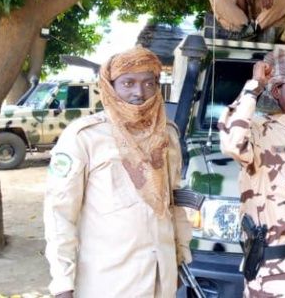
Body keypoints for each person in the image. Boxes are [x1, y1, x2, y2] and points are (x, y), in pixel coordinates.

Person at [43, 47, 191, 298]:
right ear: (110, 86)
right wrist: (62, 284)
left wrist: (178, 260)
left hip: (160, 278)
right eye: (128, 83)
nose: (139, 92)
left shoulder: (168, 134)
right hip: (108, 281)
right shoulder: (85, 136)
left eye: (148, 83)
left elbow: (174, 202)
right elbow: (59, 214)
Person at [218, 46, 285, 297]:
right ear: (276, 91)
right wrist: (255, 85)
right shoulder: (257, 130)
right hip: (271, 272)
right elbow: (231, 140)